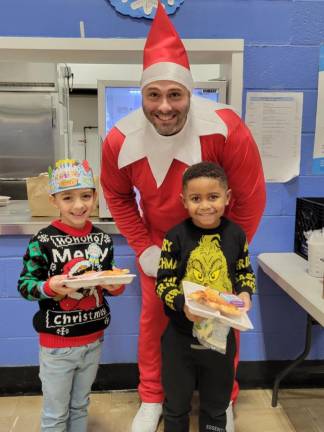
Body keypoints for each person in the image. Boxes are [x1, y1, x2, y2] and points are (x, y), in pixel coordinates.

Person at [100, 2, 266, 431]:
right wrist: (143, 247)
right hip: (162, 249)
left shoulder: (227, 129)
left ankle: (222, 400)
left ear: (191, 93)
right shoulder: (119, 140)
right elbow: (117, 197)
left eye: (175, 94)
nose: (165, 106)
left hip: (216, 244)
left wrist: (228, 249)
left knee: (224, 325)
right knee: (156, 324)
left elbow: (250, 197)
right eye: (153, 94)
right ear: (142, 95)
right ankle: (153, 396)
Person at [18, 159, 124, 432]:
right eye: (68, 198)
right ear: (54, 200)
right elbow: (25, 285)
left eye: (86, 196)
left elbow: (105, 282)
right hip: (57, 344)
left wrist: (116, 284)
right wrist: (50, 287)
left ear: (95, 196)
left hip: (94, 338)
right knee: (55, 414)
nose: (79, 205)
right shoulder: (42, 240)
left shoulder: (102, 240)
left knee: (80, 405)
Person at [155, 161, 255, 432]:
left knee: (216, 403)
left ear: (227, 197)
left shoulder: (236, 235)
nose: (205, 205)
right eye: (195, 198)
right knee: (175, 405)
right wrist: (182, 304)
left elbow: (245, 273)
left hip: (220, 338)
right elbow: (163, 284)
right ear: (183, 201)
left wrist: (245, 293)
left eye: (213, 197)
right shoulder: (175, 237)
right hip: (180, 338)